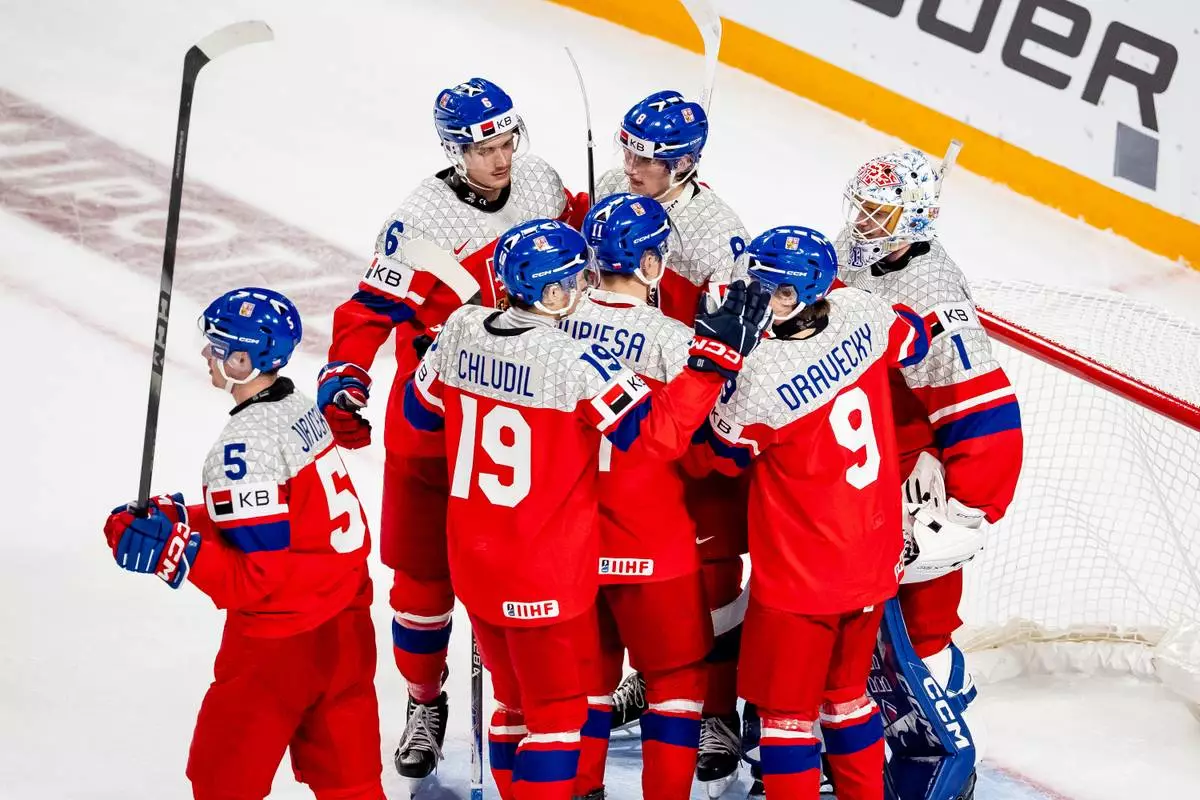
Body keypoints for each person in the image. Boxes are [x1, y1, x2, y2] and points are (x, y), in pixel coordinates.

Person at [402, 218, 769, 800]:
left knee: (537, 698)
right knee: (665, 687)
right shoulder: (638, 345)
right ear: (651, 264)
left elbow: (420, 419)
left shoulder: (462, 329)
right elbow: (682, 445)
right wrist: (713, 362)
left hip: (504, 557)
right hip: (623, 547)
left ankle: (585, 791)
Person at [316, 76, 588, 788]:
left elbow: (577, 237)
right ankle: (423, 700)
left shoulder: (537, 181)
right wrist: (346, 373)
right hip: (434, 427)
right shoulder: (420, 222)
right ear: (452, 151)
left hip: (525, 416)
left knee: (529, 576)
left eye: (506, 142)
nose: (500, 160)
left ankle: (536, 710)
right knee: (421, 586)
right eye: (483, 149)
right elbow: (367, 312)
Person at [102, 288, 382, 800]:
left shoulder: (241, 447)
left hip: (277, 649)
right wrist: (180, 516)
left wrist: (178, 551)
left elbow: (255, 580)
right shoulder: (297, 407)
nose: (207, 355)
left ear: (243, 359)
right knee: (352, 785)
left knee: (221, 780)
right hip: (346, 629)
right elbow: (280, 515)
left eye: (217, 347)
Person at [689, 226, 930, 800]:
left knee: (787, 720)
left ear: (801, 294)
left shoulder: (762, 377)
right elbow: (915, 340)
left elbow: (712, 460)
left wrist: (715, 366)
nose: (759, 299)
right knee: (848, 701)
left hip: (801, 580)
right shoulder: (860, 311)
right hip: (873, 561)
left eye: (772, 291)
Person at [837, 148, 1023, 800]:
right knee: (850, 617)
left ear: (914, 219)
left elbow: (982, 406)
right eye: (859, 206)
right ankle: (854, 747)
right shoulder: (851, 253)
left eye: (878, 212)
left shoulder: (935, 294)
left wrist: (965, 505)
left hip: (917, 475)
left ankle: (944, 754)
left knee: (924, 623)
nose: (862, 222)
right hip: (855, 462)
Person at [596, 89, 752, 796]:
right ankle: (653, 682)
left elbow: (734, 345)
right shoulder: (614, 189)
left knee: (713, 575)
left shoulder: (718, 233)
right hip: (626, 420)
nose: (630, 167)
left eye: (647, 160)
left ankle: (716, 713)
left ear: (685, 164)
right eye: (627, 150)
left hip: (691, 412)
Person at [560, 193, 716, 798]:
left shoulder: (554, 328)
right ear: (652, 264)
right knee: (676, 683)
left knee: (588, 686)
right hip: (654, 544)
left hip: (571, 543)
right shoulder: (676, 343)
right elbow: (702, 450)